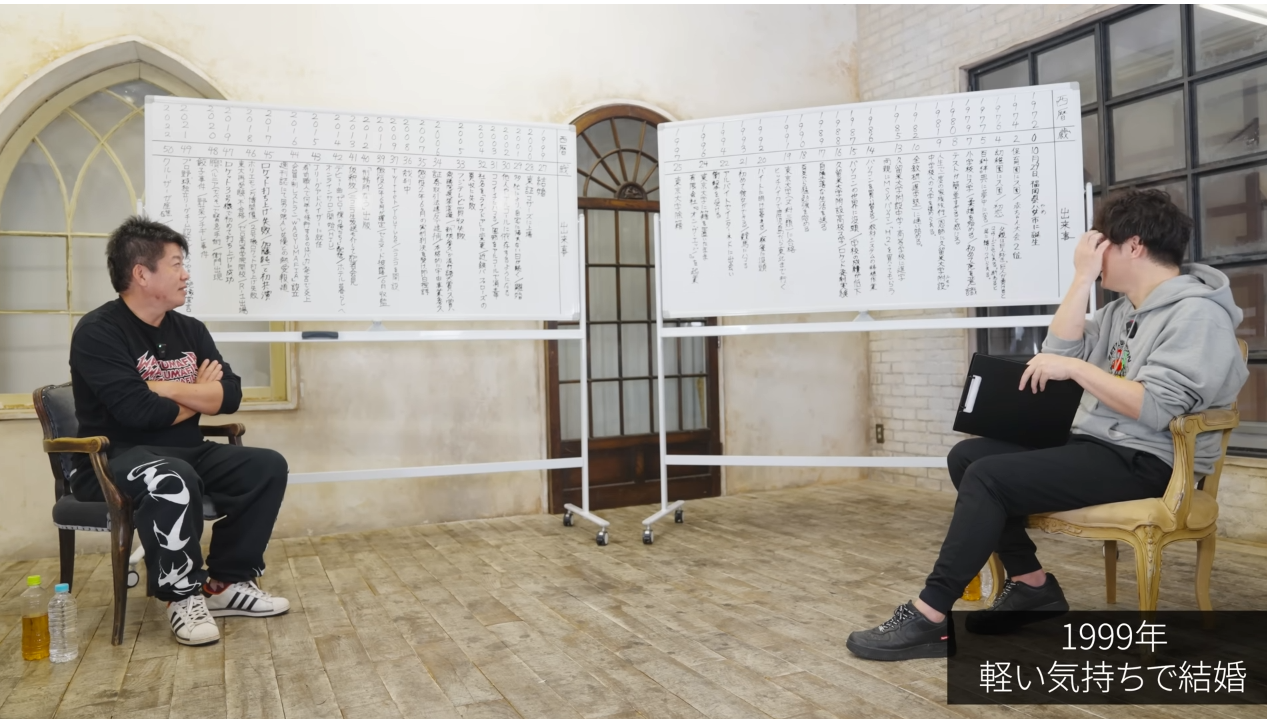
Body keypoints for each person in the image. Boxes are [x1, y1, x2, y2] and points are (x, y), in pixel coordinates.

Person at [846, 189, 1248, 661]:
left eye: (1101, 246)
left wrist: (1077, 369)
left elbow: (1157, 406)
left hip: (1151, 461)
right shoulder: (1121, 311)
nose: (1093, 256)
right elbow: (1056, 354)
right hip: (1099, 447)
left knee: (989, 477)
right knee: (968, 457)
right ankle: (1032, 586)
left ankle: (930, 614)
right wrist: (1081, 280)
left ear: (1133, 246)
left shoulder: (1199, 314)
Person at [69, 217, 290, 646]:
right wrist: (198, 393)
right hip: (113, 459)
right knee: (171, 475)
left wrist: (164, 388)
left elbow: (230, 395)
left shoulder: (190, 329)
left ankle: (226, 584)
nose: (186, 274)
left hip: (188, 450)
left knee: (266, 466)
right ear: (141, 273)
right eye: (176, 264)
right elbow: (138, 413)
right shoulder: (98, 332)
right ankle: (182, 595)